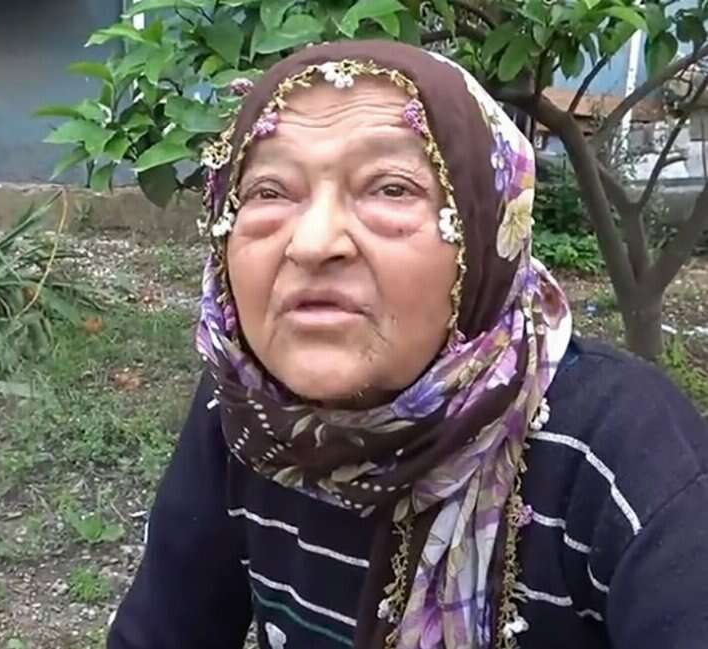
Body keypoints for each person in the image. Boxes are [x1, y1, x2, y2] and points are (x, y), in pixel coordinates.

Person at [107, 41, 708, 649]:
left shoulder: (621, 453)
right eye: (270, 191)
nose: (313, 243)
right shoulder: (246, 409)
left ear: (486, 226)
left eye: (390, 189)